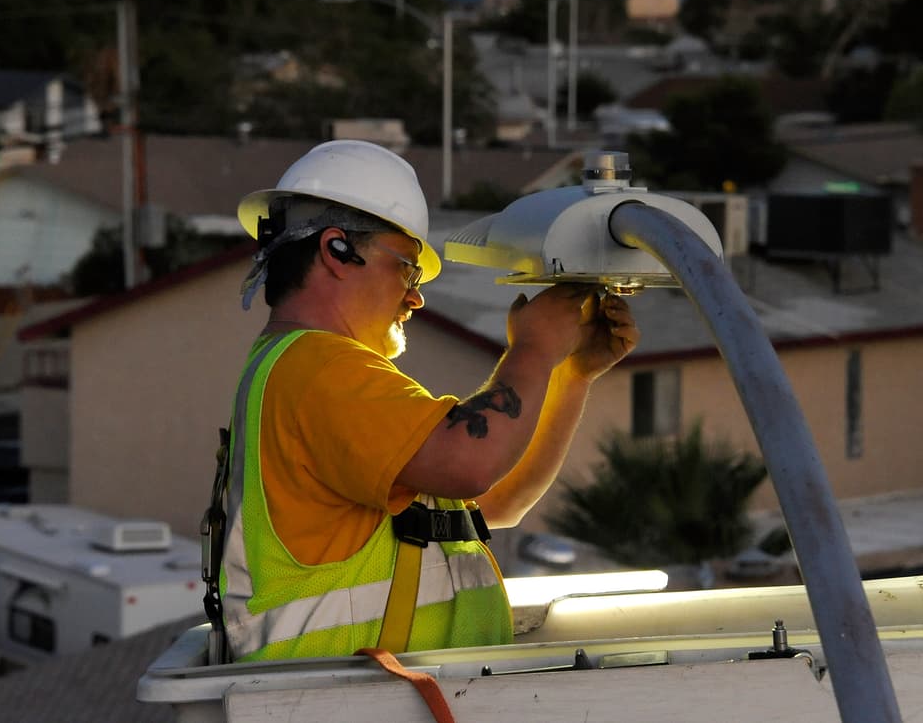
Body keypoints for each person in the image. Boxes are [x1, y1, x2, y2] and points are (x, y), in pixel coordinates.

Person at [206, 139, 639, 664]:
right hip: (346, 705)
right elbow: (470, 463)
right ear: (337, 250)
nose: (415, 297)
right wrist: (536, 347)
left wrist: (569, 374)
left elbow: (497, 501)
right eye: (407, 270)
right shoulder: (317, 369)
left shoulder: (304, 371)